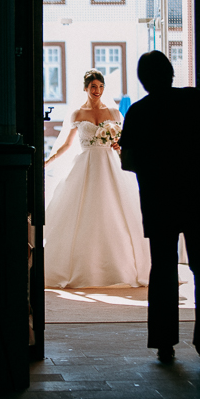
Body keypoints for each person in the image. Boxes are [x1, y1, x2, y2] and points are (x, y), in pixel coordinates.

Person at [119, 51, 200, 370]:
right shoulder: (195, 100)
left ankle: (165, 342)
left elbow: (128, 161)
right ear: (171, 73)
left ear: (143, 79)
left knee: (163, 269)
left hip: (159, 197)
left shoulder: (138, 111)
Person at [42, 69, 152, 288]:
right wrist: (48, 161)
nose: (97, 91)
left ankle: (123, 267)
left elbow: (122, 141)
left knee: (116, 210)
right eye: (93, 87)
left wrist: (118, 145)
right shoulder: (76, 114)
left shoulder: (113, 112)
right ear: (85, 88)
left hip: (110, 165)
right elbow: (67, 144)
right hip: (86, 165)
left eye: (100, 87)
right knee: (83, 211)